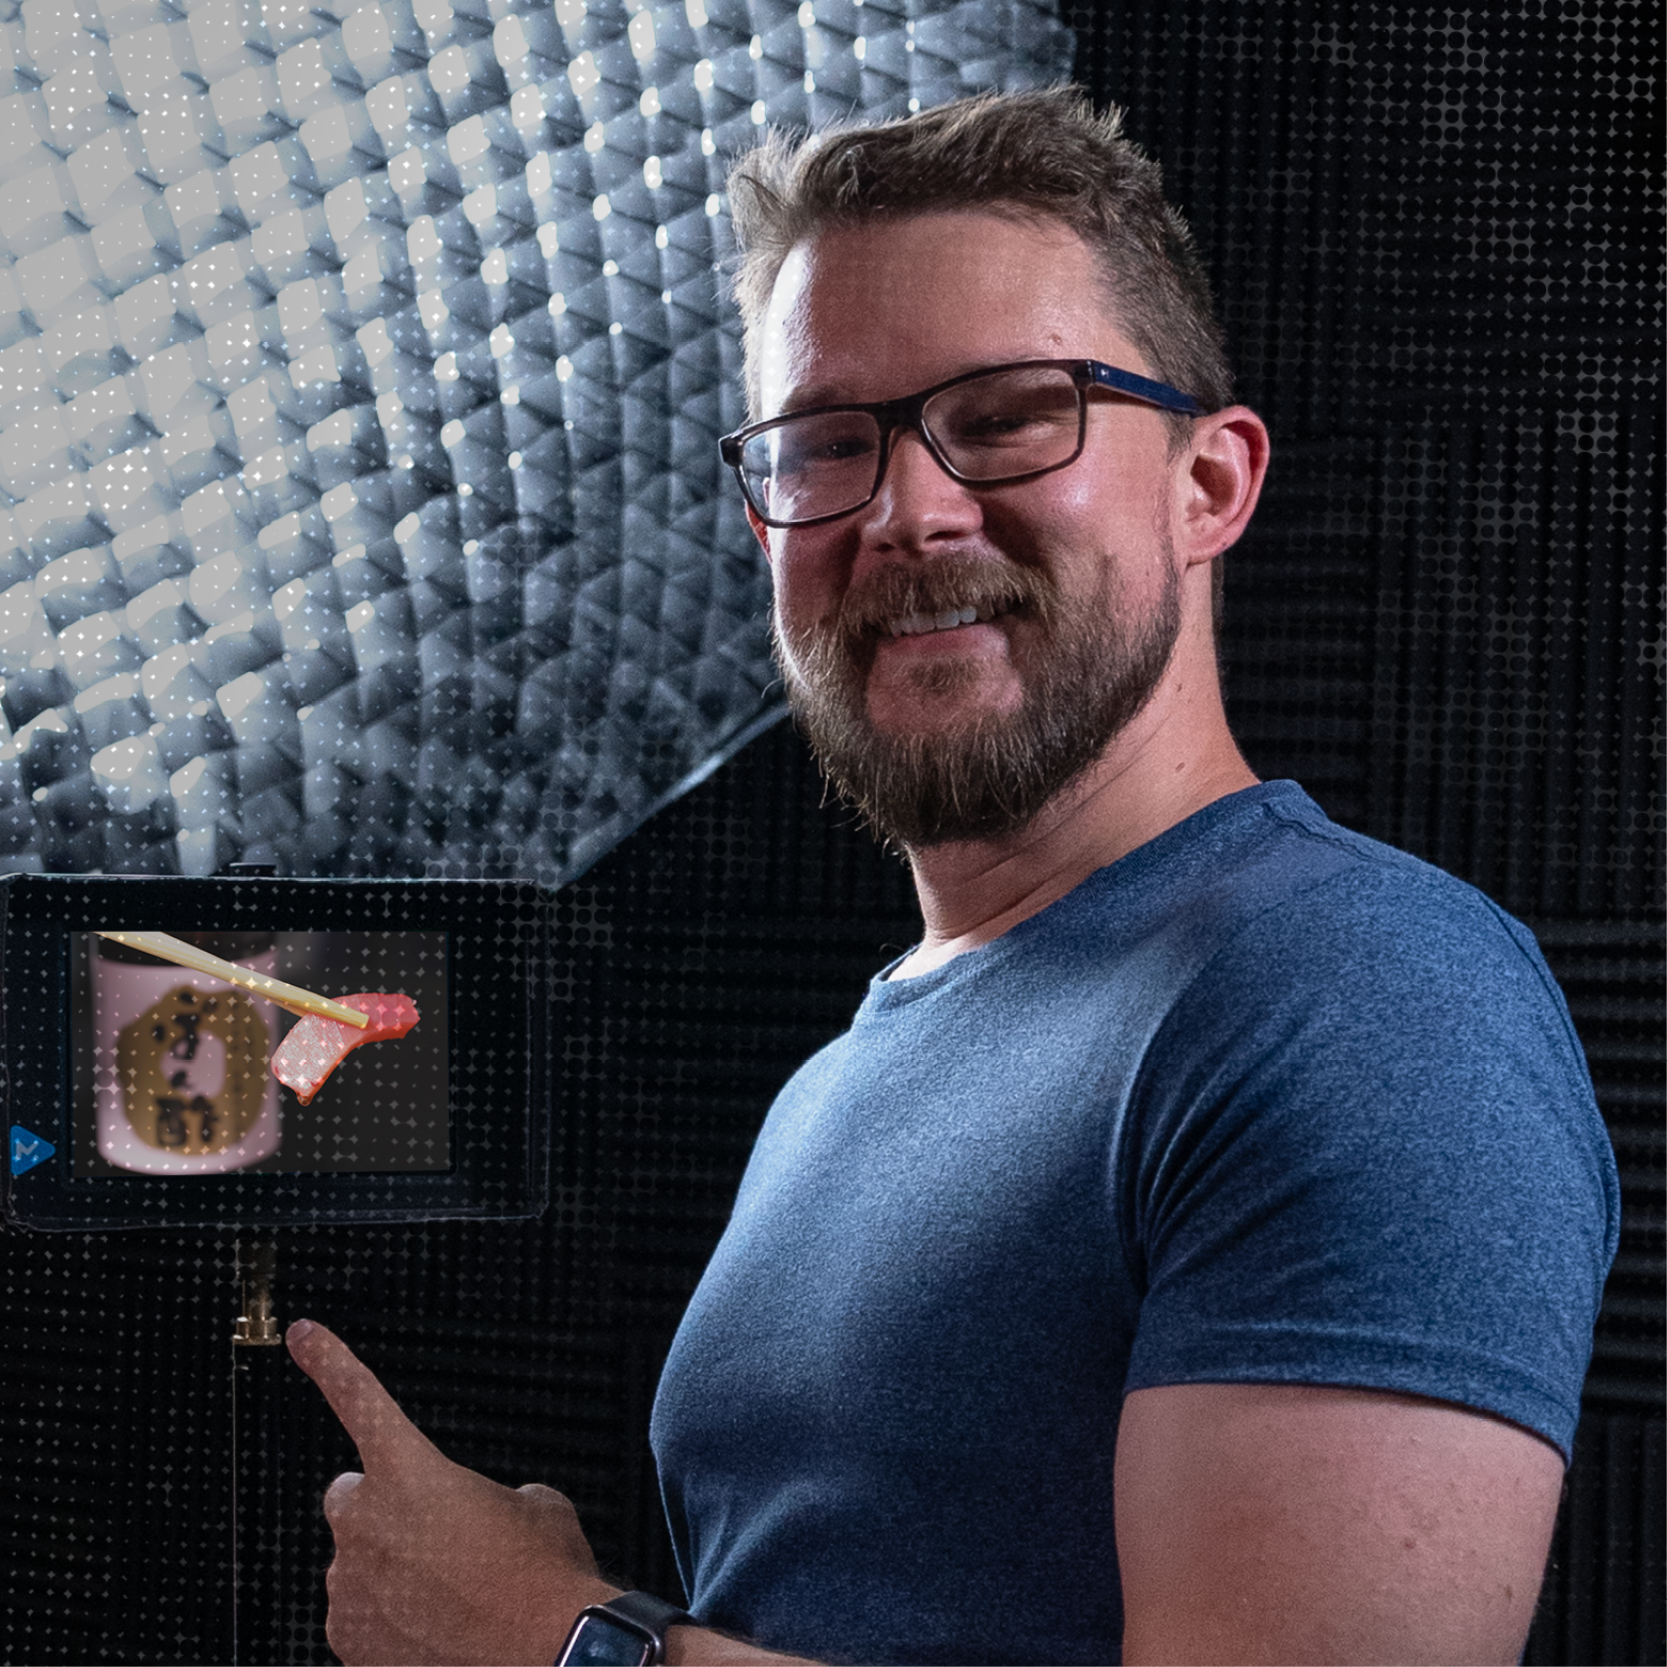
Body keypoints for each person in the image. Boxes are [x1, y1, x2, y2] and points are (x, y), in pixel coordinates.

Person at [288, 87, 1619, 1665]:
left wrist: (558, 1641)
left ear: (1210, 484)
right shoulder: (841, 1079)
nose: (907, 512)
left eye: (1002, 416)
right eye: (826, 443)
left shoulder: (1359, 995)